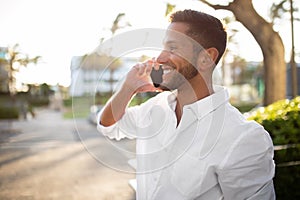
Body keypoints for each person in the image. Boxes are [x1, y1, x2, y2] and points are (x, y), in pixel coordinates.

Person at [97, 9, 275, 200]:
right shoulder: (155, 107)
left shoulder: (243, 137)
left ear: (206, 58)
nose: (159, 58)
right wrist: (128, 89)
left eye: (172, 48)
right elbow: (109, 125)